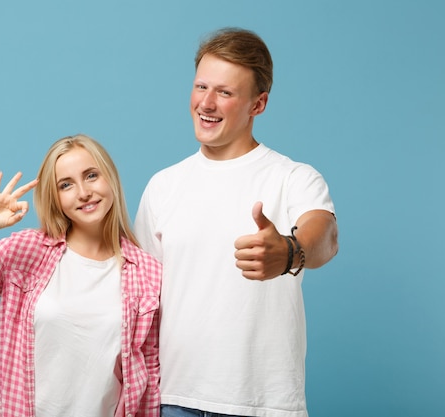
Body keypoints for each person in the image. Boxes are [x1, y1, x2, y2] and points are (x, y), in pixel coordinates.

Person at [133, 28, 339, 417]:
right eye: (201, 87)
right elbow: (141, 295)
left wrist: (291, 252)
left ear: (257, 104)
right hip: (175, 399)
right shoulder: (163, 186)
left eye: (225, 93)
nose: (206, 103)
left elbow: (325, 235)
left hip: (265, 403)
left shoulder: (293, 177)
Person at [0, 134, 162, 417]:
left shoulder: (147, 272)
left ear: (110, 179)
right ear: (55, 198)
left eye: (91, 175)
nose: (83, 192)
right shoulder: (26, 251)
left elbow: (149, 375)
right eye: (66, 185)